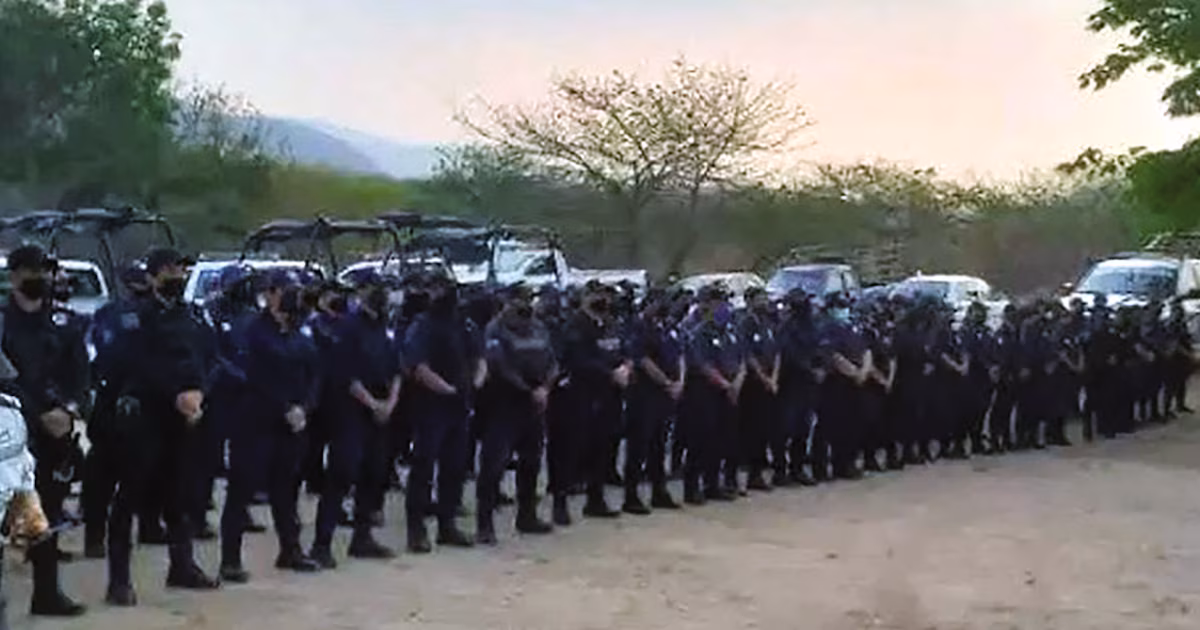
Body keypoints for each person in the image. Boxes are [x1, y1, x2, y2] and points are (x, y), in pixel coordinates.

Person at [105, 247, 220, 606]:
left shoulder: (193, 315)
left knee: (180, 494)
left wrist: (199, 393)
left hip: (185, 417)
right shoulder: (135, 317)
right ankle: (119, 580)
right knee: (129, 497)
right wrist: (176, 394)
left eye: (181, 270)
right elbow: (133, 363)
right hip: (146, 415)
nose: (177, 276)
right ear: (152, 276)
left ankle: (182, 566)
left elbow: (210, 357)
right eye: (170, 270)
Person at [0, 245, 88, 618]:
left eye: (46, 271)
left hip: (55, 436)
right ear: (15, 275)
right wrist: (38, 415)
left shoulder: (65, 323)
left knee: (48, 513)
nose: (41, 278)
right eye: (33, 270)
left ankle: (47, 594)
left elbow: (81, 374)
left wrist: (70, 410)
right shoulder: (3, 324)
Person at [220, 281, 322, 582]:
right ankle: (230, 560)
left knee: (286, 489)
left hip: (292, 424)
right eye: (283, 290)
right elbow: (250, 375)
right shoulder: (252, 330)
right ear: (269, 295)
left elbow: (315, 373)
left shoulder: (300, 331)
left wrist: (305, 407)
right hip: (255, 422)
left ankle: (291, 550)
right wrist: (284, 407)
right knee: (241, 490)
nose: (290, 296)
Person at [311, 274, 402, 566]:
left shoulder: (385, 327)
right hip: (351, 408)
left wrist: (389, 403)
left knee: (374, 474)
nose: (381, 294)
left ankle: (362, 538)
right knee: (341, 474)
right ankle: (321, 544)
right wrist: (373, 403)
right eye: (375, 288)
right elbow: (345, 374)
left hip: (381, 410)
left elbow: (396, 369)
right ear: (360, 293)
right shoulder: (347, 327)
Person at [405, 275, 482, 552]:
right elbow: (418, 366)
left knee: (454, 467)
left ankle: (447, 526)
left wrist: (474, 384)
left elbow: (479, 356)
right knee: (423, 468)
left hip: (459, 406)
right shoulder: (422, 325)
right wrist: (446, 389)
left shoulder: (463, 323)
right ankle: (416, 531)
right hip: (431, 405)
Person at [475, 285, 556, 545]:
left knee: (531, 461)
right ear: (507, 302)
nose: (525, 304)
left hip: (534, 404)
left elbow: (552, 361)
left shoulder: (539, 327)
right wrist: (528, 390)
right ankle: (484, 524)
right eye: (519, 299)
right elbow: (499, 366)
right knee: (494, 465)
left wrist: (544, 388)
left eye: (528, 299)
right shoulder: (495, 329)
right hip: (503, 404)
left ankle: (527, 515)